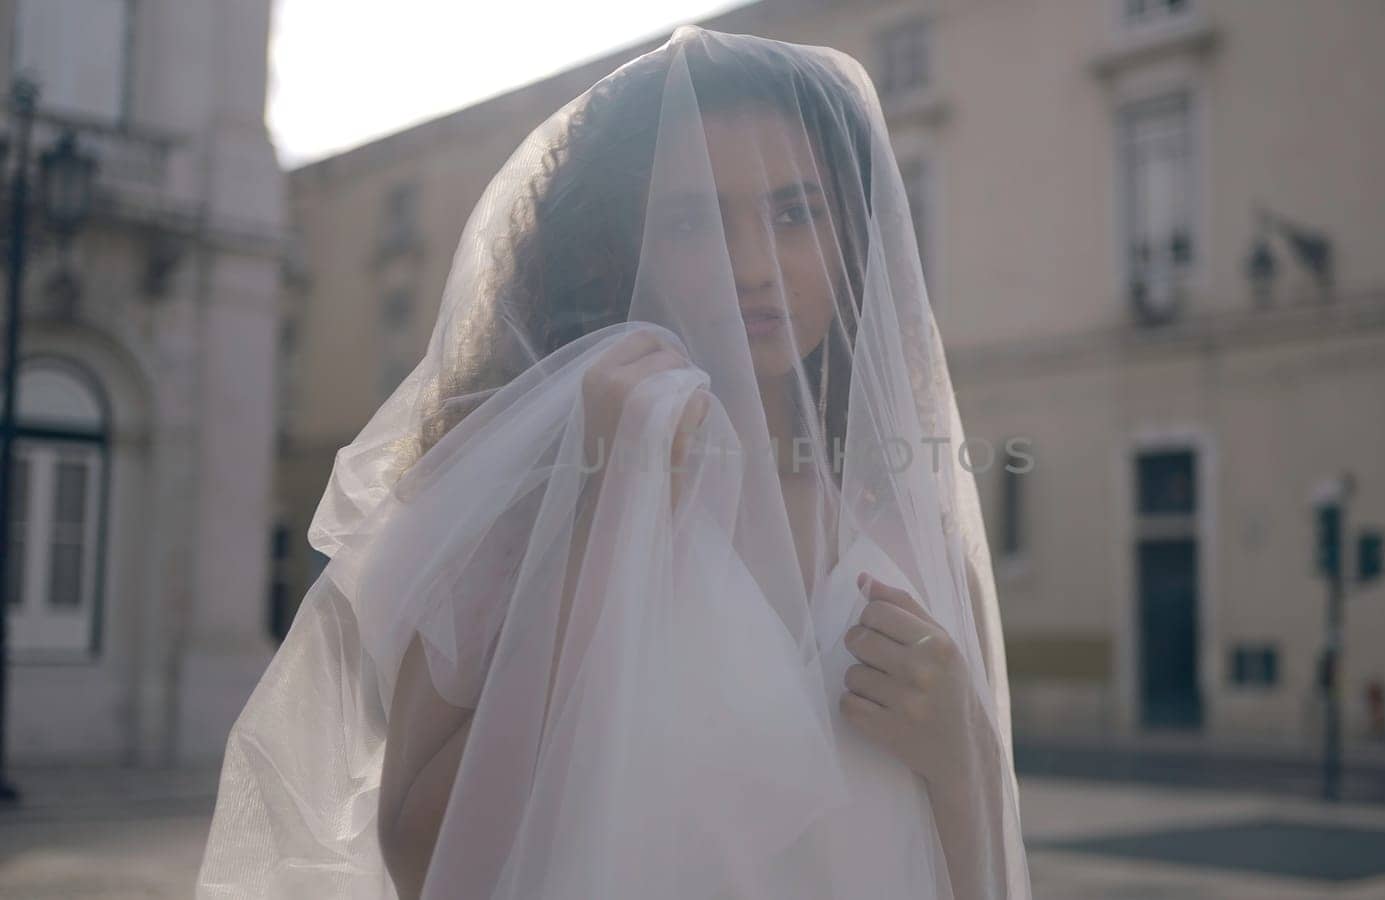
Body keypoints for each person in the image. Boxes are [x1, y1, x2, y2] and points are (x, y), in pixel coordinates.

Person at [196, 25, 1032, 900]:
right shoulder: (511, 514)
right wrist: (605, 524)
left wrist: (962, 751)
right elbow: (422, 859)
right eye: (692, 220)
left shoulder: (908, 527)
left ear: (852, 235)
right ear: (618, 246)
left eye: (795, 214)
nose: (755, 266)